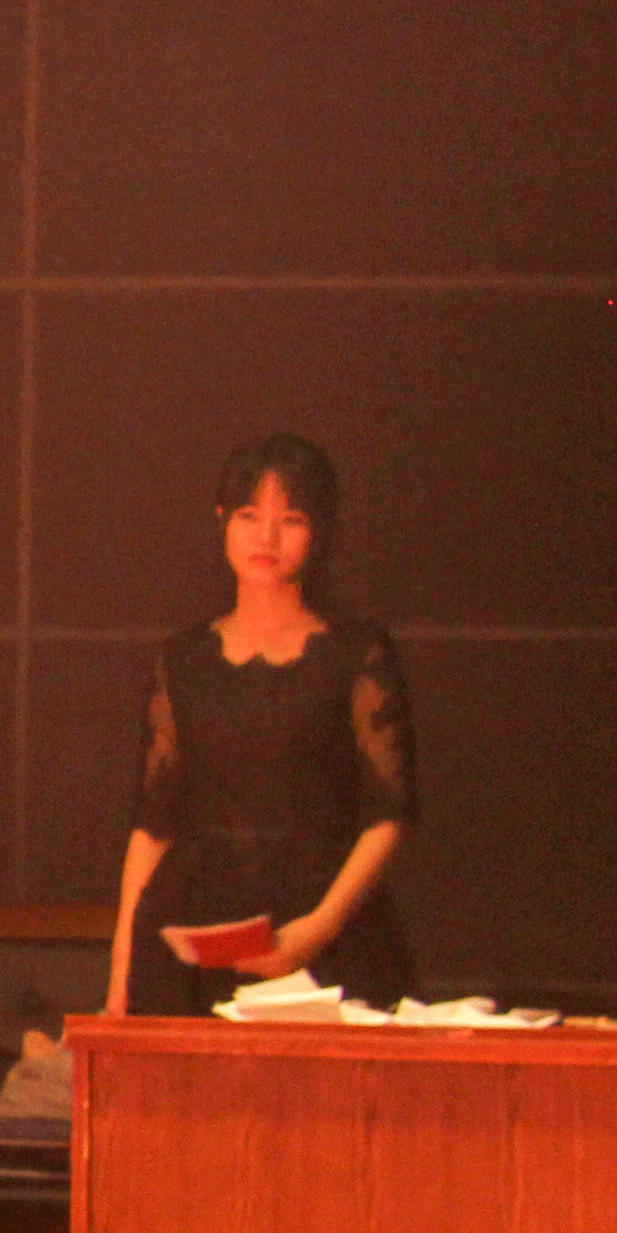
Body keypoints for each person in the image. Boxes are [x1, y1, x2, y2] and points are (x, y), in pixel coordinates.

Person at [107, 431, 418, 1016]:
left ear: (321, 531)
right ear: (222, 520)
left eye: (291, 519)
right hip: (192, 924)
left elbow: (389, 814)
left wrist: (318, 928)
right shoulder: (183, 658)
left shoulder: (355, 653)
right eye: (250, 516)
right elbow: (153, 824)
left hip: (324, 921)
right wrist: (119, 981)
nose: (266, 538)